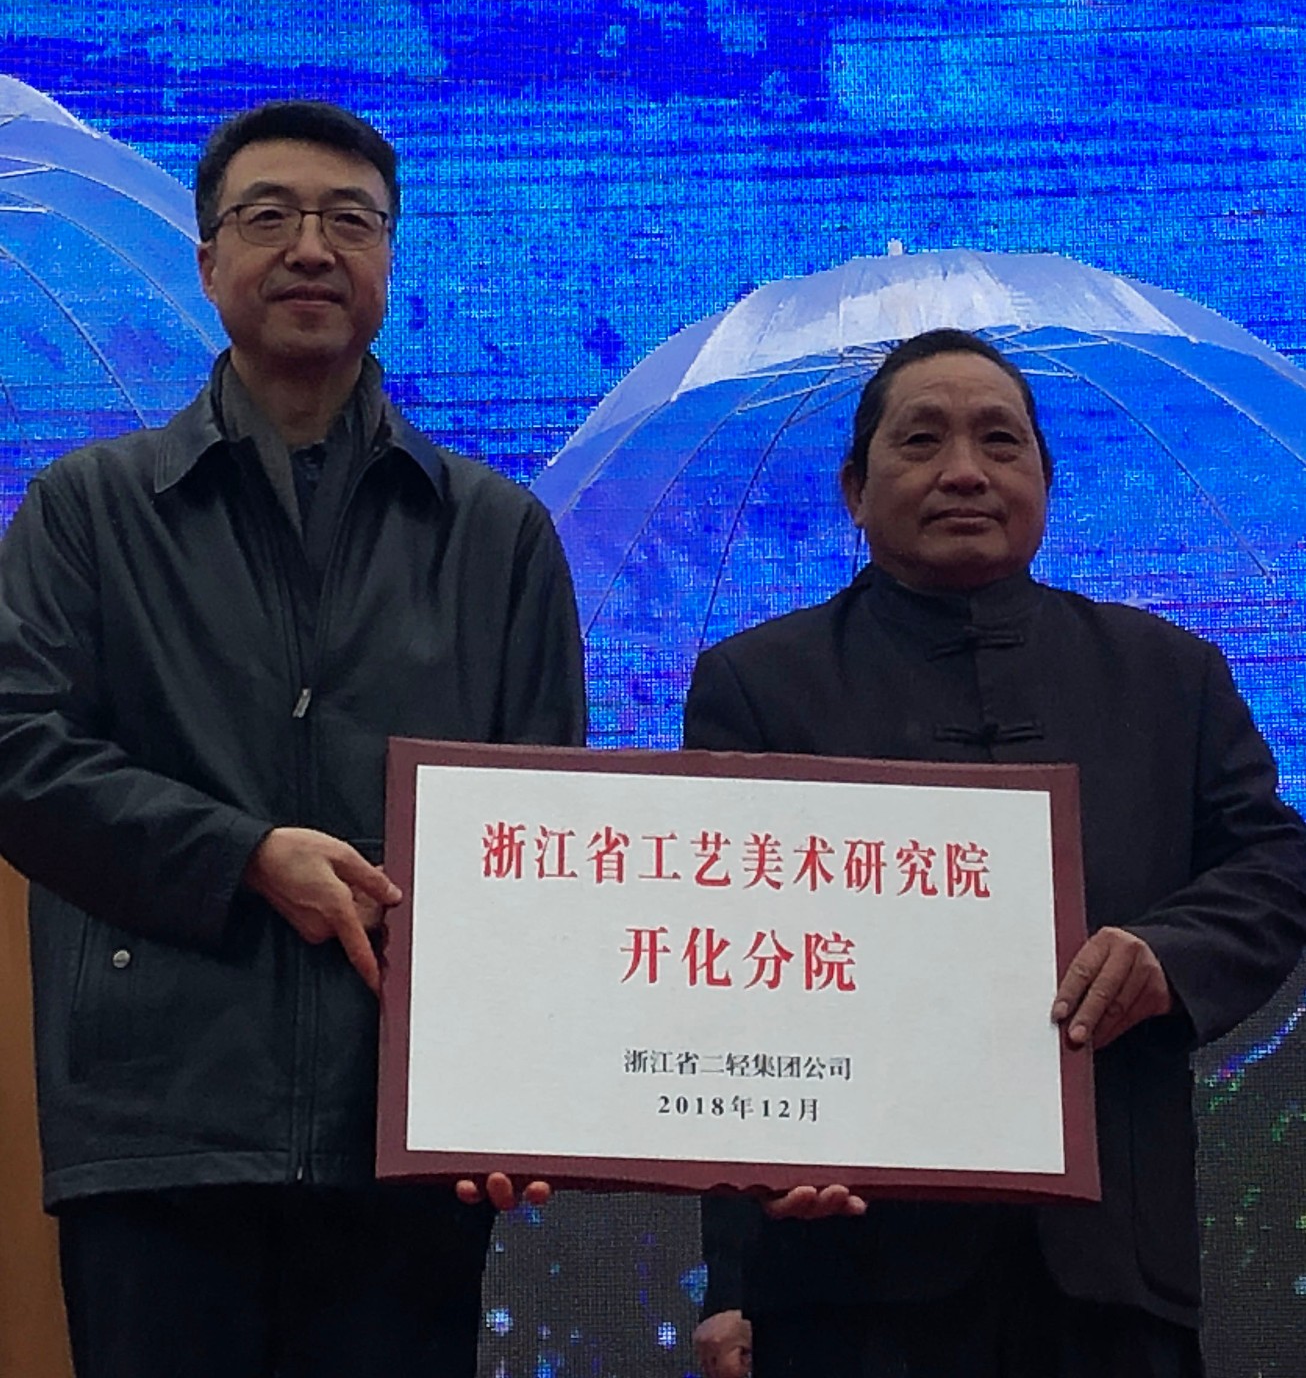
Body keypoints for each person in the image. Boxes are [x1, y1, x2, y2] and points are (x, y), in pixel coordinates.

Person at [0, 100, 586, 1378]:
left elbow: (546, 834)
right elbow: (17, 752)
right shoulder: (89, 508)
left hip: (403, 1138)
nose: (311, 248)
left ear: (389, 263)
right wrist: (244, 854)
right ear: (209, 262)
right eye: (269, 217)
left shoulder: (497, 534)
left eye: (349, 221)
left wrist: (515, 1092)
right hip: (161, 1123)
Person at [683, 328, 1306, 1377]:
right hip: (850, 1267)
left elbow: (1272, 867)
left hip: (1110, 1262)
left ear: (1045, 482)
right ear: (854, 490)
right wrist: (734, 1278)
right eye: (921, 439)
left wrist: (1167, 956)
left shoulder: (1169, 674)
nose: (964, 470)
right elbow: (722, 970)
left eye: (1000, 441)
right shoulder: (760, 683)